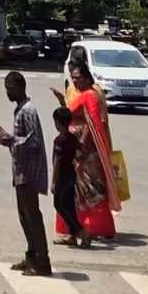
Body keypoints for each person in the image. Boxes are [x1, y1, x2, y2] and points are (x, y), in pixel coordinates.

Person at [52, 60, 119, 240]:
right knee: (75, 191)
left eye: (78, 77)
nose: (75, 81)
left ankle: (89, 228)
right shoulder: (77, 93)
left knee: (89, 190)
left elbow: (93, 121)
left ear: (87, 77)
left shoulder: (91, 94)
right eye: (72, 77)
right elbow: (69, 114)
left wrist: (80, 144)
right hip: (72, 145)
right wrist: (61, 101)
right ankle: (74, 230)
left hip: (85, 150)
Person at [0, 70, 52, 276]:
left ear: (20, 87)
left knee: (32, 216)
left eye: (10, 88)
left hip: (29, 173)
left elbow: (33, 141)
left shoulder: (28, 111)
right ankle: (31, 256)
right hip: (20, 172)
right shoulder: (20, 109)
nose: (7, 93)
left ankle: (42, 261)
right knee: (24, 217)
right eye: (6, 89)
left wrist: (7, 139)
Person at [50, 105, 86, 247]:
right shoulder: (72, 137)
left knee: (60, 204)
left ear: (58, 123)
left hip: (63, 176)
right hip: (71, 174)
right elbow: (81, 152)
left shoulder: (60, 140)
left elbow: (57, 161)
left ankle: (82, 232)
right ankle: (72, 235)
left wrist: (54, 182)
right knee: (67, 205)